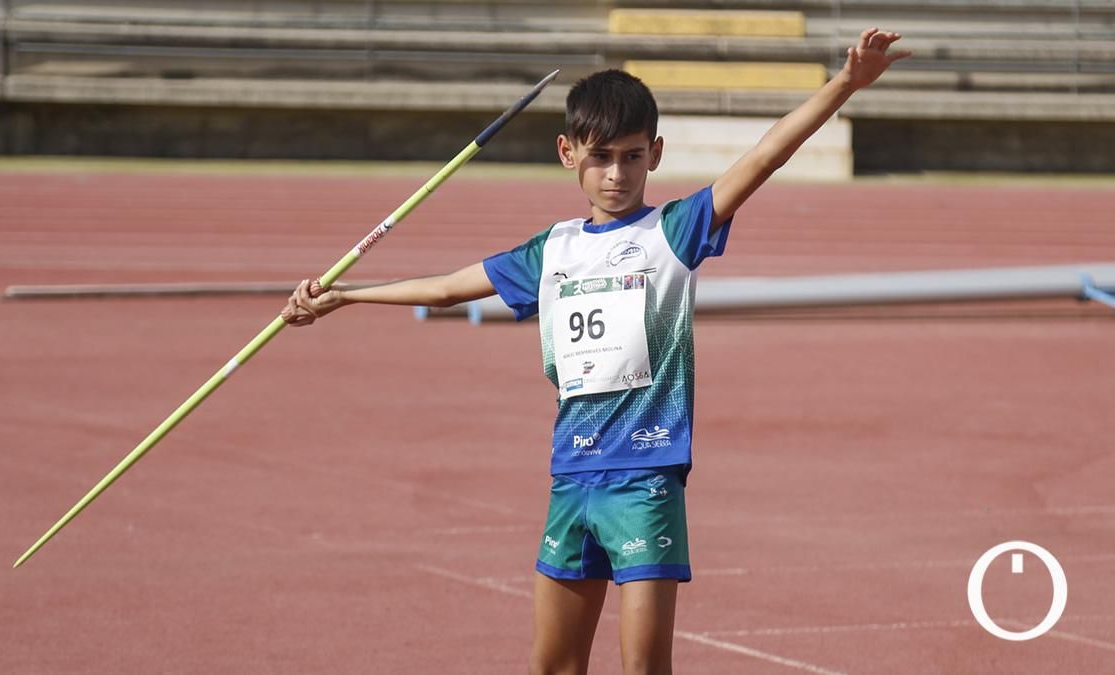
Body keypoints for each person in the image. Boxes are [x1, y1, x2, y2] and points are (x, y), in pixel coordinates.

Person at [282, 27, 909, 675]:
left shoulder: (674, 232)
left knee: (643, 667)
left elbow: (765, 156)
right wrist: (346, 295)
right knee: (551, 666)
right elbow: (444, 288)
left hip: (645, 480)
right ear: (567, 152)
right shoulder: (552, 251)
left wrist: (844, 84)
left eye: (632, 156)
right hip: (571, 479)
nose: (616, 173)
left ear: (655, 154)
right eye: (601, 155)